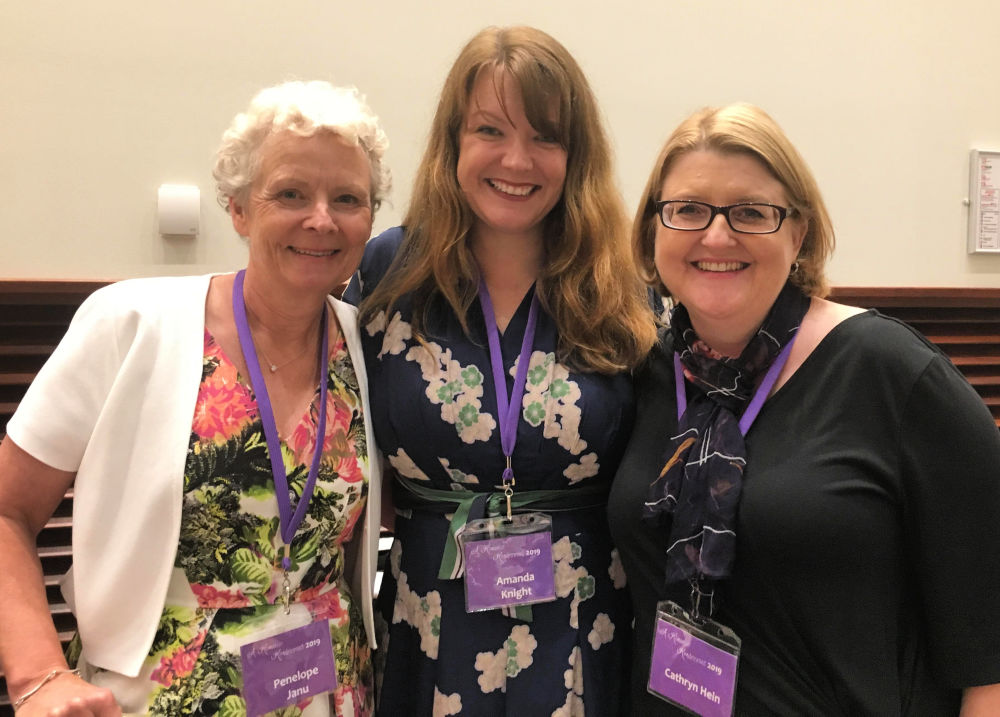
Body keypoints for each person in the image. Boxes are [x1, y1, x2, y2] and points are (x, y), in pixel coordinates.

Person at [0, 80, 389, 716]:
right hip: (155, 696)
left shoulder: (367, 348)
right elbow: (7, 512)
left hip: (328, 690)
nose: (322, 218)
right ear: (238, 209)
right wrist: (39, 677)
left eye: (347, 198)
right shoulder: (128, 324)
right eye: (290, 193)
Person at [608, 102, 1000, 715]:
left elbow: (991, 646)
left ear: (799, 233)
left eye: (751, 213)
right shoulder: (643, 374)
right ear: (652, 230)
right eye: (687, 209)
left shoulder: (891, 372)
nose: (716, 235)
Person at [344, 25, 657, 716]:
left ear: (575, 155)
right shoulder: (387, 272)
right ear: (453, 140)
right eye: (490, 129)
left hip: (584, 621)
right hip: (428, 610)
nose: (518, 159)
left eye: (546, 136)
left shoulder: (623, 285)